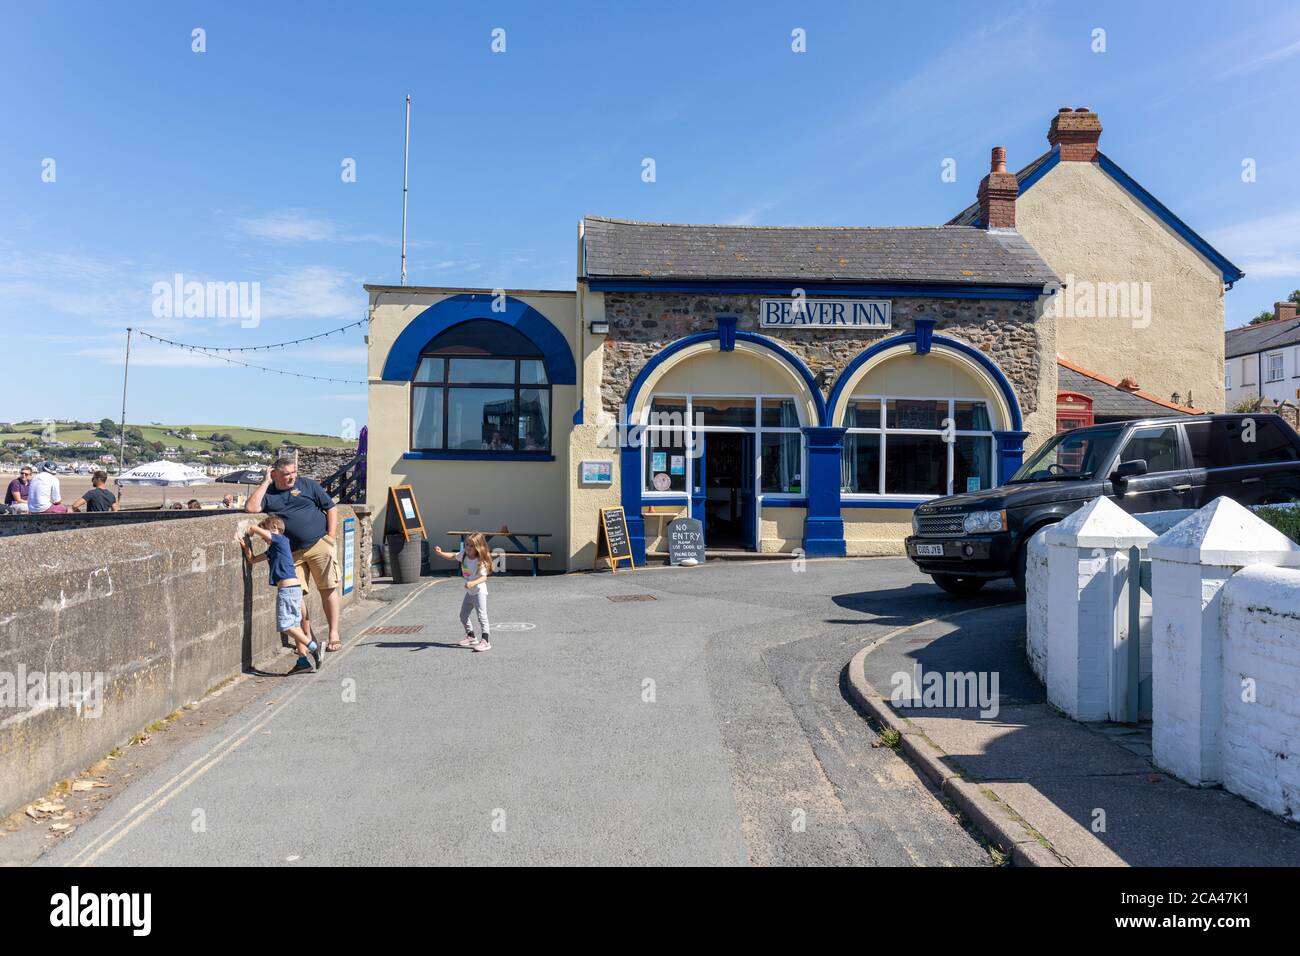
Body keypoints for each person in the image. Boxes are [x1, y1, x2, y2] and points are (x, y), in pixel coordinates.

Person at [246, 458, 342, 652]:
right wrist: (265, 482)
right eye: (287, 474)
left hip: (318, 543)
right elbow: (251, 508)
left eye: (294, 472)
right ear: (275, 474)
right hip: (291, 553)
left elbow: (330, 507)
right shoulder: (269, 493)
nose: (291, 477)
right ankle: (309, 637)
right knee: (296, 597)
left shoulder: (307, 484)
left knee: (328, 588)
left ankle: (333, 633)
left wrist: (330, 538)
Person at [241, 514, 321, 673]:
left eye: (265, 535)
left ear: (275, 529)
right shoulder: (273, 549)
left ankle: (313, 647)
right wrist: (246, 547)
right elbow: (253, 560)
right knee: (295, 625)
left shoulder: (282, 541)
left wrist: (252, 529)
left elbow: (266, 534)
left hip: (288, 590)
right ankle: (302, 661)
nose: (264, 540)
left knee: (285, 625)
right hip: (292, 589)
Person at [432, 533, 492, 652]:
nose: (468, 547)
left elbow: (484, 578)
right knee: (463, 615)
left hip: (479, 592)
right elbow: (453, 556)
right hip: (470, 592)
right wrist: (441, 553)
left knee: (482, 617)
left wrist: (472, 583)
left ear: (478, 547)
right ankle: (471, 636)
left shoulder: (480, 560)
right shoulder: (464, 555)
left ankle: (486, 641)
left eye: (471, 545)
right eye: (467, 544)